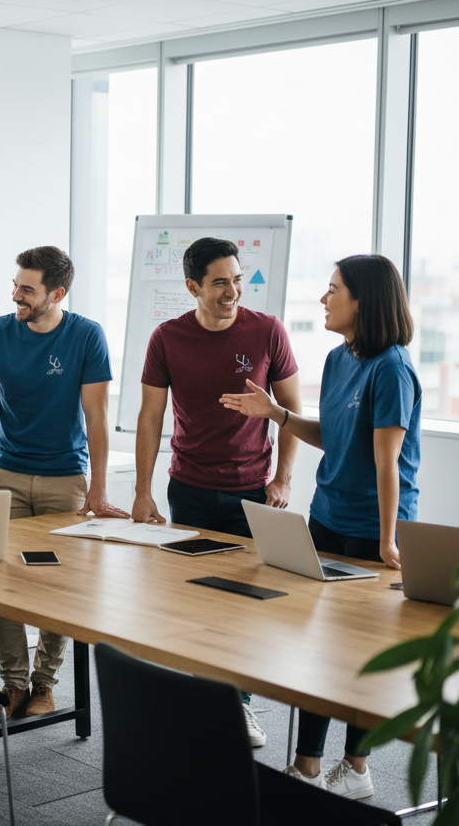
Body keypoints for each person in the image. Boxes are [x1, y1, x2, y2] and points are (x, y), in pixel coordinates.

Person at [220, 254, 420, 799]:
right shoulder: (337, 360)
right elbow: (334, 437)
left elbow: (386, 461)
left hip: (374, 527)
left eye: (333, 290)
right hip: (328, 516)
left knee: (361, 654)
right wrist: (276, 414)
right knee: (323, 648)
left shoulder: (393, 368)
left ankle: (355, 769)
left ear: (365, 301)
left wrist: (386, 540)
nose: (324, 299)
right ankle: (308, 766)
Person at [132, 236, 303, 746]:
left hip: (253, 491)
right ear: (193, 287)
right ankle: (209, 702)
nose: (233, 290)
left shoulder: (267, 331)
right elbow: (150, 418)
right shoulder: (167, 337)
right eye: (220, 282)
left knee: (245, 606)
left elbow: (293, 412)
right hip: (189, 489)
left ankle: (239, 708)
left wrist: (284, 478)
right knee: (196, 605)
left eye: (237, 278)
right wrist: (143, 491)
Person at [0, 245, 128, 723]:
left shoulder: (86, 336)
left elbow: (96, 417)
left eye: (27, 289)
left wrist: (97, 489)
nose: (16, 295)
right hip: (6, 472)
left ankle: (45, 683)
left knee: (58, 584)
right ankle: (12, 684)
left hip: (64, 478)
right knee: (2, 579)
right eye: (16, 285)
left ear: (57, 293)